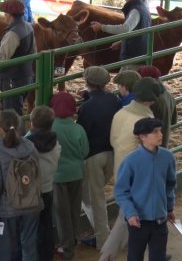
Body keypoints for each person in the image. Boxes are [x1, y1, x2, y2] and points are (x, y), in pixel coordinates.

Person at [100, 77, 164, 261]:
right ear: (151, 100)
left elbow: (114, 140)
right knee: (126, 217)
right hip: (138, 174)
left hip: (120, 167)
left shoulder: (121, 113)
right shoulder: (147, 120)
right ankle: (107, 256)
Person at [114, 118, 177, 261]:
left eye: (160, 131)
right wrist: (130, 213)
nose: (160, 134)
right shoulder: (130, 161)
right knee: (135, 257)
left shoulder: (167, 157)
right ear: (142, 136)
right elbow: (121, 192)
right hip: (138, 221)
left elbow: (170, 184)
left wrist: (169, 208)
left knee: (158, 257)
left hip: (160, 220)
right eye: (155, 132)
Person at [0, 109, 43, 261]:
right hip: (32, 204)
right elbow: (38, 174)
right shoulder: (30, 146)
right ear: (19, 126)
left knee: (7, 246)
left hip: (8, 208)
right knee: (29, 244)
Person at [76, 66, 120, 250]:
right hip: (113, 153)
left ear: (87, 83)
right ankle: (105, 234)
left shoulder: (85, 108)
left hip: (93, 156)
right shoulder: (115, 100)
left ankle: (105, 240)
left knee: (93, 199)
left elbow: (82, 134)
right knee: (92, 196)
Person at [50, 92, 89, 260]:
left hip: (57, 177)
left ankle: (66, 248)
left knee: (60, 213)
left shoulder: (49, 128)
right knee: (73, 210)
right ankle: (72, 241)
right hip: (76, 174)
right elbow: (85, 151)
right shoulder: (78, 128)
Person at [25, 105, 61, 261]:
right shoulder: (55, 142)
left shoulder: (26, 143)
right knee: (46, 226)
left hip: (31, 193)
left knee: (29, 229)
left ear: (31, 122)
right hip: (47, 188)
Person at [91, 0, 151, 70]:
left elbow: (125, 29)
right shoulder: (143, 8)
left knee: (125, 81)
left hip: (133, 57)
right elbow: (137, 31)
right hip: (139, 54)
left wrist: (102, 27)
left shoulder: (135, 10)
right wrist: (122, 42)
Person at [138, 65, 177, 148]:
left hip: (151, 144)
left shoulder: (151, 101)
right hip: (163, 141)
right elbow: (173, 121)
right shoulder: (169, 96)